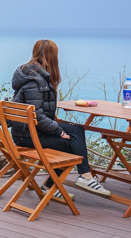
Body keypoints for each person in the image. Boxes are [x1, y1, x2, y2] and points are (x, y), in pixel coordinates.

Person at [10, 39, 110, 198]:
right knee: (70, 144)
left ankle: (82, 176)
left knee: (77, 129)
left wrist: (59, 126)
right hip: (27, 136)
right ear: (52, 56)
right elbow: (37, 114)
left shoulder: (31, 75)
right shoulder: (36, 82)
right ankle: (73, 179)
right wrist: (58, 131)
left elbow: (37, 113)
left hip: (27, 131)